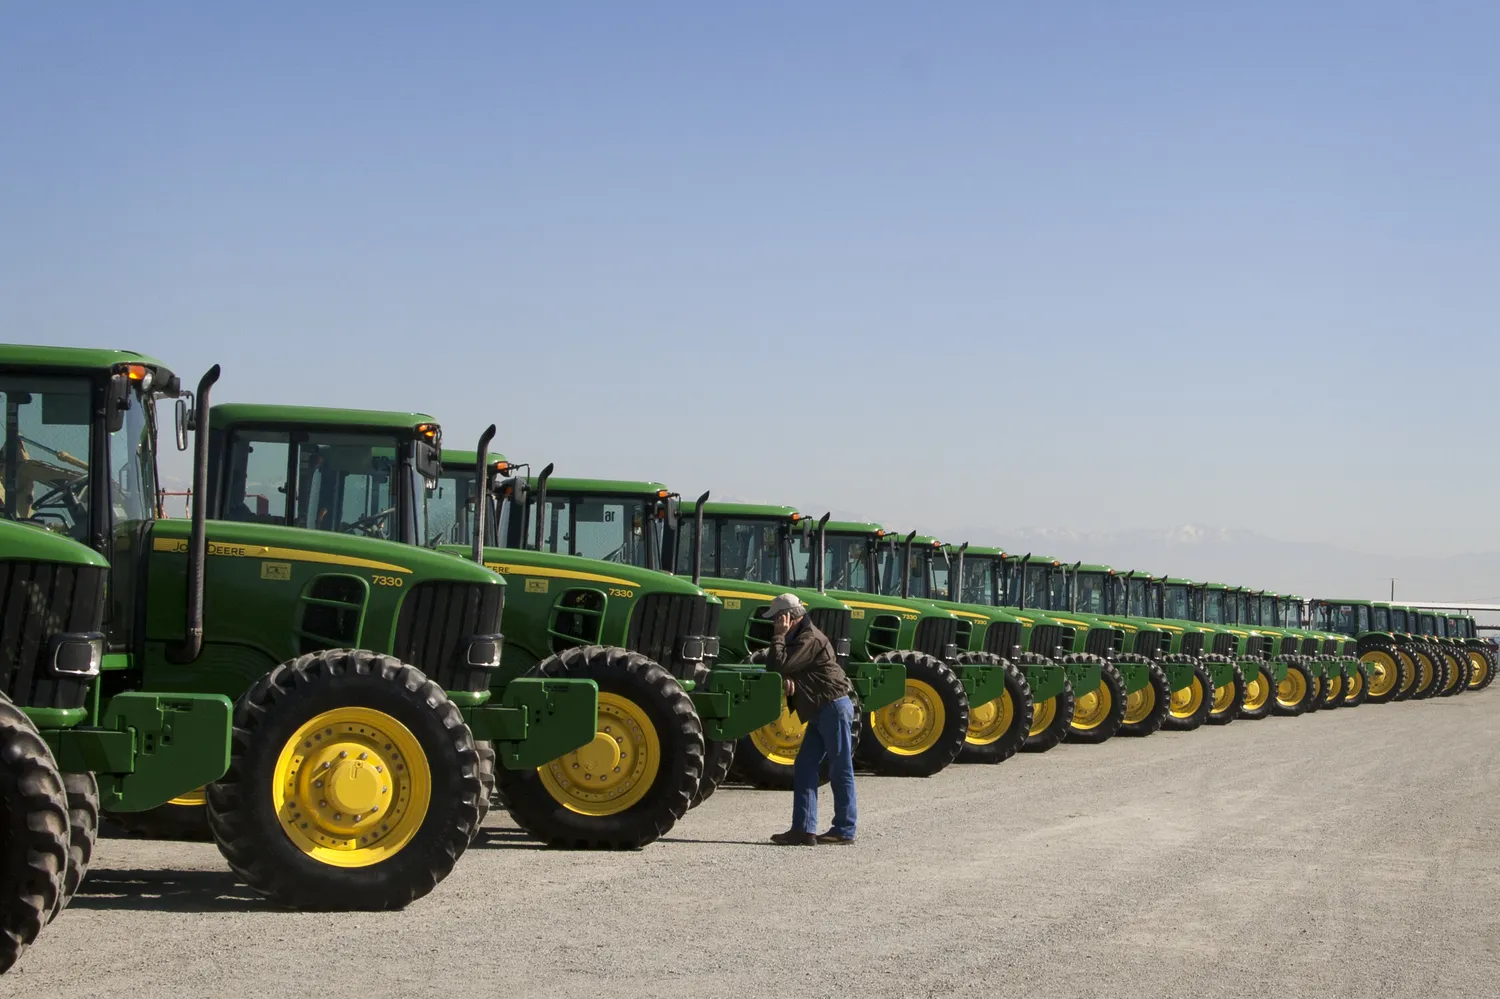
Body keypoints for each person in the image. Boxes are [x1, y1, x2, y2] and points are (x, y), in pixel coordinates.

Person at [762, 593, 857, 845]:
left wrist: (779, 637)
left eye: (777, 620)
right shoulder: (800, 637)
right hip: (819, 708)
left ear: (789, 618)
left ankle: (845, 829)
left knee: (840, 767)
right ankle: (803, 830)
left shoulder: (809, 638)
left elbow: (779, 664)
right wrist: (787, 678)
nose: (774, 624)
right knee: (805, 765)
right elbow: (777, 668)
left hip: (832, 707)